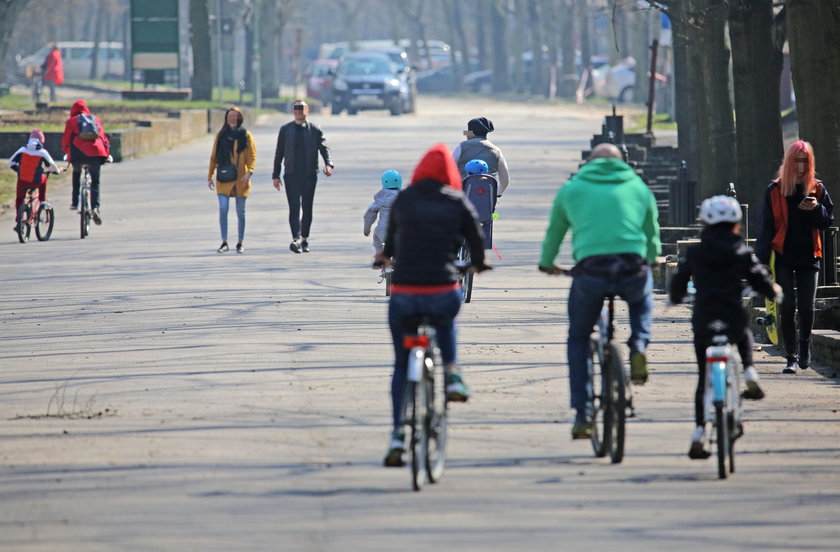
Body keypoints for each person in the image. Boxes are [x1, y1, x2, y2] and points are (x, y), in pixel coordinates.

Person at [375, 144, 490, 467]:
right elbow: (476, 240)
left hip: (404, 294)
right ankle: (452, 373)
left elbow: (392, 242)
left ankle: (398, 434)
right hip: (441, 288)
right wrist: (478, 264)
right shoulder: (457, 201)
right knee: (446, 320)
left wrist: (382, 258)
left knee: (401, 365)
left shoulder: (405, 200)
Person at [538, 143, 661, 439]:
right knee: (642, 299)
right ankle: (639, 346)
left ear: (590, 163)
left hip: (591, 271)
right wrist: (653, 257)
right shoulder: (638, 187)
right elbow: (651, 231)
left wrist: (548, 263)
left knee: (578, 337)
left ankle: (583, 413)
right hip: (631, 266)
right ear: (622, 163)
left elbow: (555, 231)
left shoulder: (572, 188)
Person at [669, 195, 782, 459]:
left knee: (703, 379)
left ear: (705, 223)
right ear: (736, 224)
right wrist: (773, 291)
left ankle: (699, 431)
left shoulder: (695, 253)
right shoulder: (742, 252)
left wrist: (675, 298)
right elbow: (760, 277)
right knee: (742, 334)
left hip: (704, 317)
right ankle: (750, 371)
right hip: (731, 314)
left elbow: (678, 281)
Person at [755, 140, 834, 373]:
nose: (801, 166)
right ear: (789, 162)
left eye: (805, 161)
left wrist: (817, 208)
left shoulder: (817, 189)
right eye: (797, 161)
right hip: (782, 256)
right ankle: (790, 355)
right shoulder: (775, 190)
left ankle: (805, 346)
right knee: (787, 306)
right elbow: (766, 228)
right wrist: (761, 262)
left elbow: (827, 221)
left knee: (807, 307)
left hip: (810, 256)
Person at [272, 100, 334, 254]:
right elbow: (279, 153)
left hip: (309, 175)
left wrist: (328, 164)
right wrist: (275, 175)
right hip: (291, 175)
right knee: (294, 208)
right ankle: (296, 239)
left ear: (307, 110)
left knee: (307, 208)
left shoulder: (315, 130)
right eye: (296, 108)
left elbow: (324, 149)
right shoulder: (285, 130)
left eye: (302, 108)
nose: (299, 111)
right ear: (293, 111)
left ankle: (304, 239)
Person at [207, 106, 256, 254]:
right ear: (226, 119)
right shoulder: (220, 135)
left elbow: (252, 157)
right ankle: (224, 242)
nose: (232, 119)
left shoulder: (246, 135)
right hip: (224, 178)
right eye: (230, 117)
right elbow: (213, 157)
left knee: (241, 212)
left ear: (239, 118)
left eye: (235, 116)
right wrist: (210, 176)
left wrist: (249, 173)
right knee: (223, 209)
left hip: (241, 179)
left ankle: (240, 242)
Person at [61, 99, 110, 223]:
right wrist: (106, 154)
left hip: (78, 155)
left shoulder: (71, 121)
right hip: (95, 154)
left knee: (76, 173)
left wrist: (67, 152)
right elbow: (103, 138)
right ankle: (95, 208)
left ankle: (75, 202)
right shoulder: (96, 120)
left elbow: (66, 140)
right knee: (95, 182)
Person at [8, 128, 63, 231]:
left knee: (19, 198)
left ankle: (19, 219)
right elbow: (52, 167)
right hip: (36, 181)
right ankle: (42, 200)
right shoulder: (42, 152)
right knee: (44, 178)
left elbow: (10, 163)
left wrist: (19, 171)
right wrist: (59, 171)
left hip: (22, 181)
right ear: (42, 140)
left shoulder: (22, 150)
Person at [452, 116, 510, 196]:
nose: (466, 134)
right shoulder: (496, 151)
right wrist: (496, 194)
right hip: (487, 197)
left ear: (472, 132)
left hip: (463, 196)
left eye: (468, 131)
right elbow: (505, 180)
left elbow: (449, 168)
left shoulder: (461, 147)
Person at [363, 169, 402, 255]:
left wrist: (366, 229)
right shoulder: (404, 198)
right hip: (400, 231)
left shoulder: (380, 199)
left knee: (377, 239)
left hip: (383, 231)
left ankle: (379, 256)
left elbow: (369, 215)